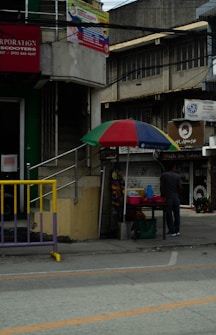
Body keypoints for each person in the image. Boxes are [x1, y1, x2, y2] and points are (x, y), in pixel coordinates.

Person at [160, 162, 183, 237]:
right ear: (173, 167)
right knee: (177, 214)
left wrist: (163, 195)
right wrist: (177, 193)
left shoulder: (164, 175)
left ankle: (171, 230)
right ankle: (177, 230)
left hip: (168, 197)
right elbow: (180, 187)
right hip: (175, 197)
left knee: (169, 214)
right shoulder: (177, 176)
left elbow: (162, 187)